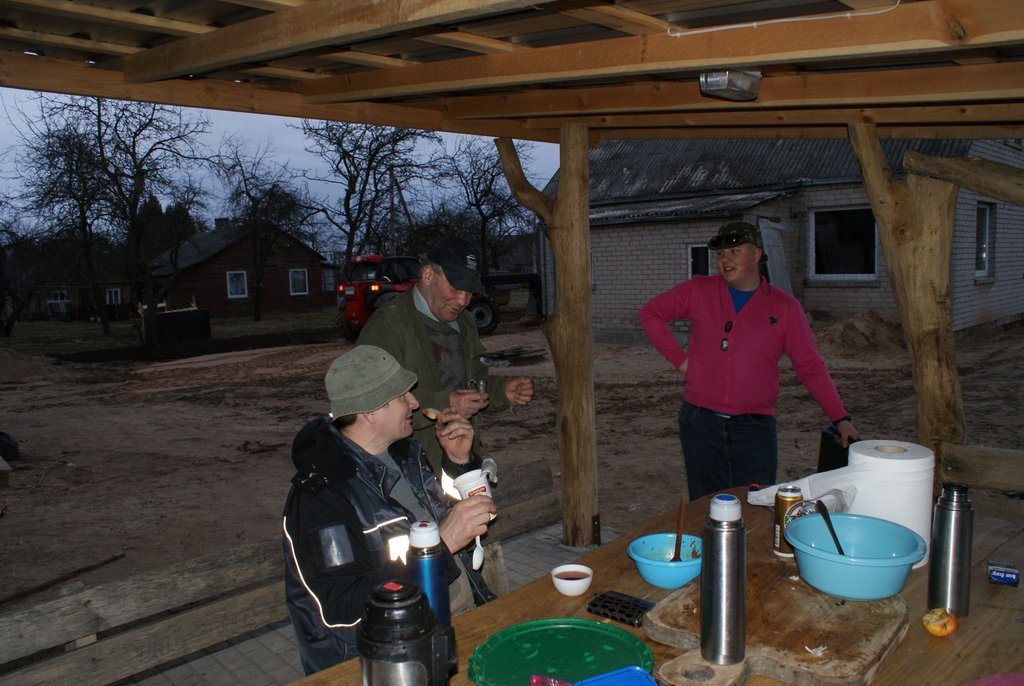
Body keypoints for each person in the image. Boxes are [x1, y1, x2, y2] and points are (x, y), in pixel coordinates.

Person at [282, 345, 496, 675]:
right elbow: (342, 610)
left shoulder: (404, 453)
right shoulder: (321, 495)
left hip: (453, 615)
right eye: (402, 396)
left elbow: (453, 520)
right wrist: (438, 550)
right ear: (370, 411)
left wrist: (459, 463)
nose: (415, 402)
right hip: (384, 659)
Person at [639, 221, 859, 500]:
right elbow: (650, 313)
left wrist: (840, 418)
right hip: (701, 423)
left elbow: (810, 367)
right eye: (721, 254)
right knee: (707, 507)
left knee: (755, 503)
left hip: (754, 428)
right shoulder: (699, 290)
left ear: (756, 254)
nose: (725, 260)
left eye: (734, 251)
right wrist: (680, 360)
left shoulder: (784, 307)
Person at [357, 236, 534, 478]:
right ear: (428, 275)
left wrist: (502, 390)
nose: (463, 301)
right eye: (455, 288)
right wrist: (445, 404)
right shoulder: (386, 327)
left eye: (469, 292)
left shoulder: (464, 323)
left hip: (460, 460)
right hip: (407, 470)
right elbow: (373, 406)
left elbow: (473, 383)